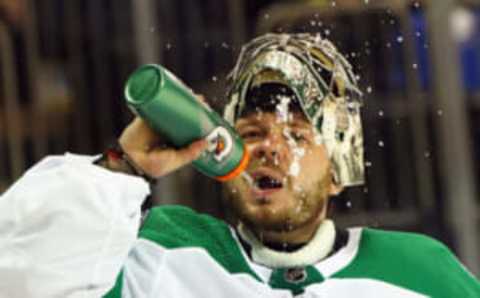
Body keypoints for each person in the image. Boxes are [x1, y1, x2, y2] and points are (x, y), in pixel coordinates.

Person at [0, 33, 479, 298]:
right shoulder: (158, 252)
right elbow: (22, 282)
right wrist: (122, 167)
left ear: (337, 170)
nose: (270, 148)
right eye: (250, 133)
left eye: (296, 136)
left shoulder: (420, 273)